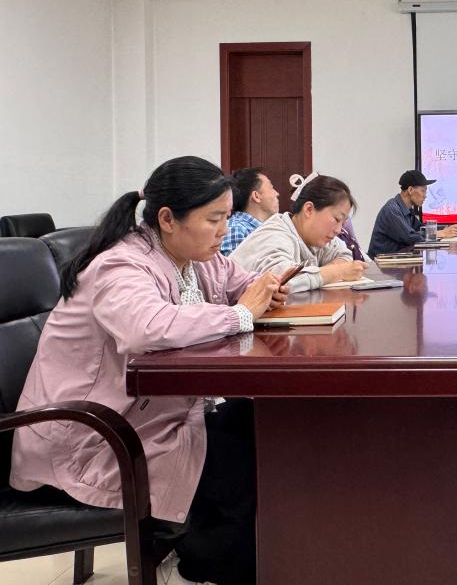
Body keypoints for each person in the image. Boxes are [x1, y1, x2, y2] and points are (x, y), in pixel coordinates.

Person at [10, 156, 288, 585]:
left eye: (227, 217)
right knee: (240, 466)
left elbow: (241, 281)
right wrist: (239, 315)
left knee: (262, 426)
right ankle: (204, 565)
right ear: (168, 219)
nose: (224, 230)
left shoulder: (195, 253)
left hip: (144, 415)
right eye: (214, 219)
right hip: (91, 438)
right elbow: (147, 327)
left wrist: (264, 289)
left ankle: (230, 553)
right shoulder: (121, 265)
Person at [230, 172, 366, 292]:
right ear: (309, 210)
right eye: (336, 219)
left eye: (342, 223)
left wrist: (328, 271)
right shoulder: (276, 235)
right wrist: (337, 272)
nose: (338, 230)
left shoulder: (314, 236)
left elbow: (344, 253)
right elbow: (281, 282)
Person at [367, 169, 457, 259]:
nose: (425, 196)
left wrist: (447, 229)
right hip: (381, 266)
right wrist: (440, 233)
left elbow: (420, 229)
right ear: (410, 190)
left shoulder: (406, 209)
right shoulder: (392, 210)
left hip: (398, 260)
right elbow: (410, 237)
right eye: (423, 191)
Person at [220, 167, 280, 256]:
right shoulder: (237, 229)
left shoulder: (270, 228)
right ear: (256, 196)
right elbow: (233, 264)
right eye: (271, 188)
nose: (277, 194)